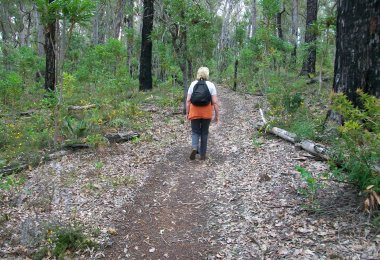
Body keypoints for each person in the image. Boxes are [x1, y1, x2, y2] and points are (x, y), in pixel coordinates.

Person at [186, 67, 219, 160]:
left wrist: (187, 112)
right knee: (204, 133)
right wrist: (217, 115)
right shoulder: (211, 85)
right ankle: (203, 154)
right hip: (207, 113)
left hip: (194, 112)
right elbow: (215, 102)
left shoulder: (193, 84)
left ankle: (194, 147)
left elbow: (188, 100)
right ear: (207, 74)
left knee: (195, 131)